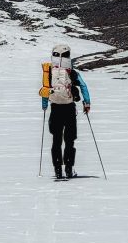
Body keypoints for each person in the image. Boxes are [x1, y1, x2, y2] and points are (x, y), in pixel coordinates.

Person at [39, 44, 91, 179]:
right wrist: (87, 103)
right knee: (69, 140)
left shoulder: (49, 72)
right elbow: (83, 86)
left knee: (56, 140)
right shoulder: (71, 72)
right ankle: (68, 168)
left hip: (55, 108)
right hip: (69, 109)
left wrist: (45, 105)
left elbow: (45, 89)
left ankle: (57, 169)